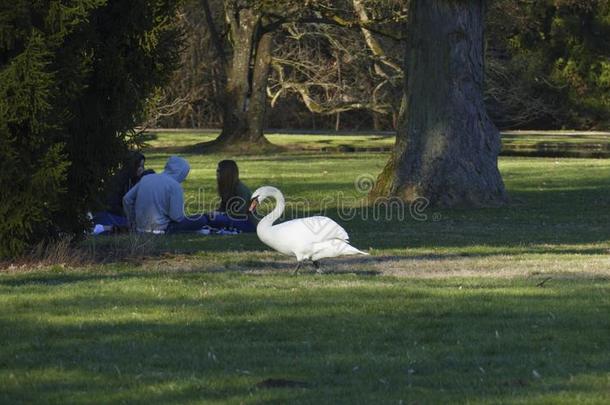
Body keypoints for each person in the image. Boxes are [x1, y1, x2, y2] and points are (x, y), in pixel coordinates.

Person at [123, 156, 208, 234]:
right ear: (182, 172)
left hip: (140, 228)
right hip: (162, 229)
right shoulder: (174, 186)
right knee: (201, 219)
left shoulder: (146, 178)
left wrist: (132, 221)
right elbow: (176, 217)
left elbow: (127, 199)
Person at [92, 151, 153, 233]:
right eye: (139, 166)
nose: (142, 169)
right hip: (110, 214)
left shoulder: (137, 179)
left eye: (143, 166)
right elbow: (113, 204)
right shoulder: (119, 181)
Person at [206, 160, 257, 233]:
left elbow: (241, 213)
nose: (217, 174)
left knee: (214, 220)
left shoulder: (240, 189)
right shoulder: (227, 188)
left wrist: (222, 215)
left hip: (247, 222)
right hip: (234, 219)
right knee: (209, 218)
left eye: (219, 171)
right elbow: (223, 208)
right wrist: (213, 213)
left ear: (227, 173)